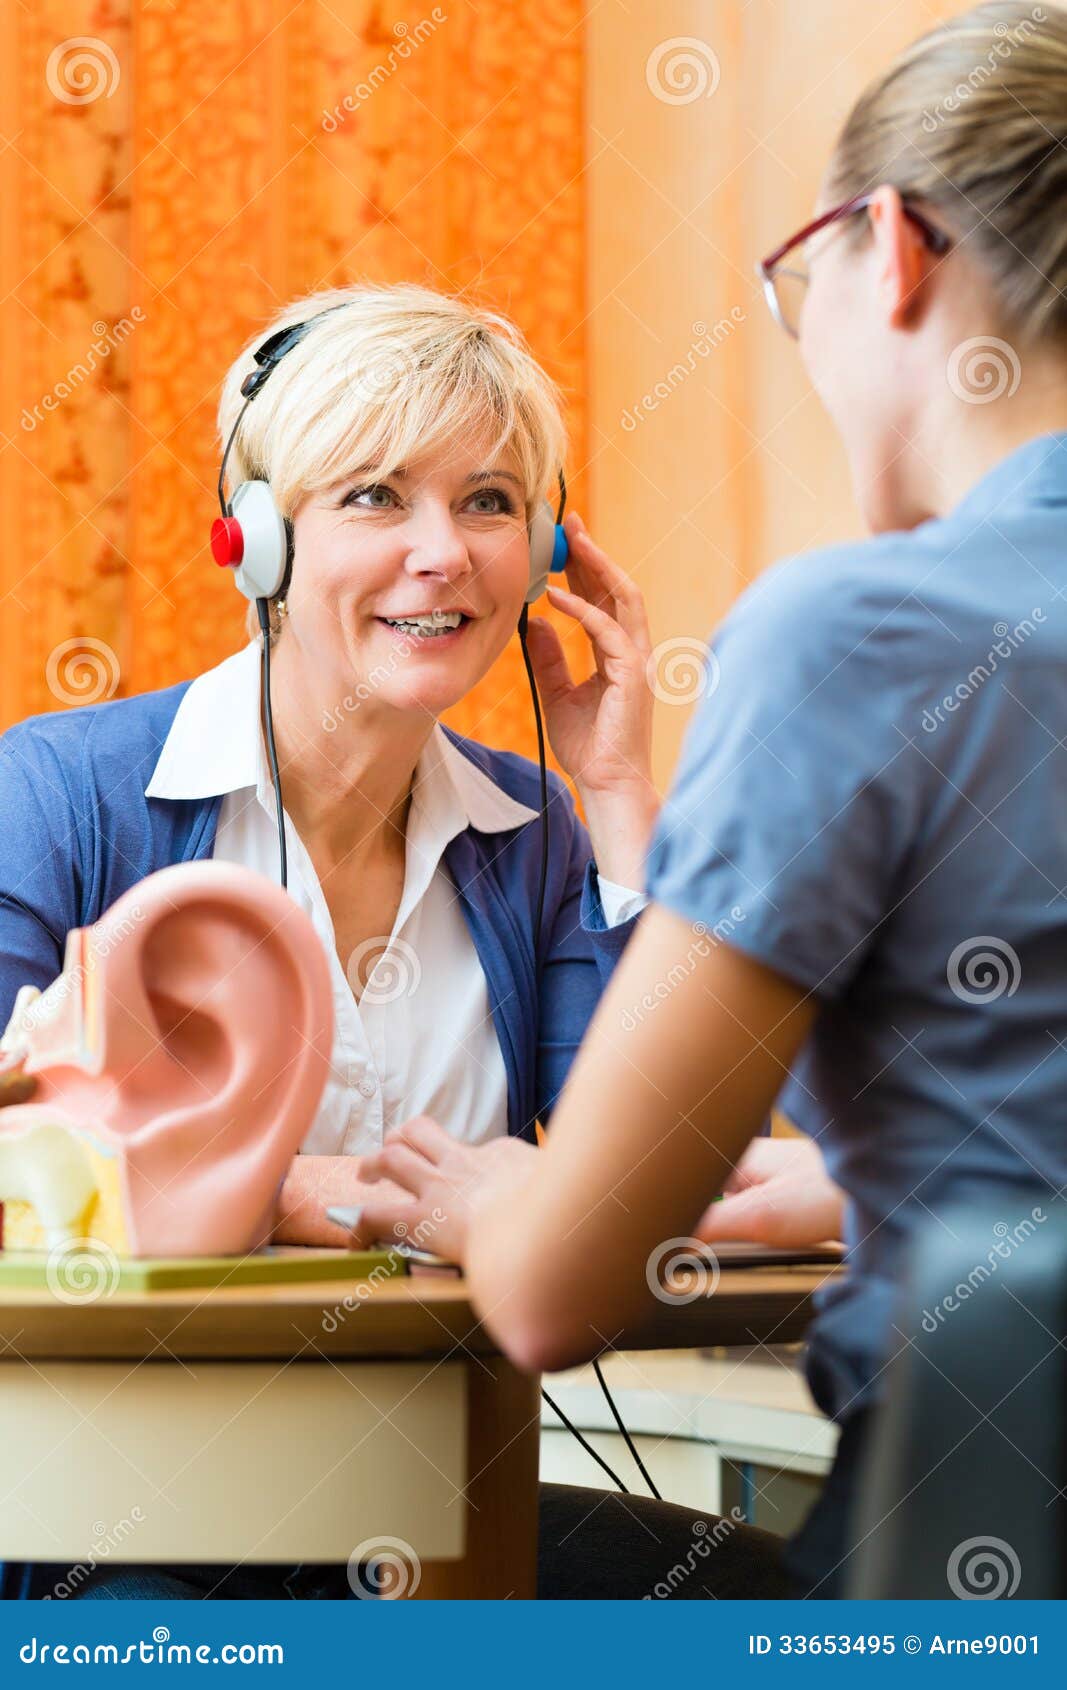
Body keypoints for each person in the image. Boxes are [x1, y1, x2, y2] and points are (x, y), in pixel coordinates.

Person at [358, 1, 1067, 1599]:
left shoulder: (865, 636)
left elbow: (550, 1291)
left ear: (890, 248)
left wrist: (498, 1194)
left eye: (486, 501)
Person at [0, 281, 667, 1599]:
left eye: (489, 501)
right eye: (375, 496)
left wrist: (619, 799)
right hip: (118, 1526)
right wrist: (303, 1194)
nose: (446, 552)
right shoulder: (62, 794)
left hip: (441, 1495)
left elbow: (654, 1167)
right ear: (258, 541)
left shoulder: (531, 828)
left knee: (824, 1597)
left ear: (543, 551)